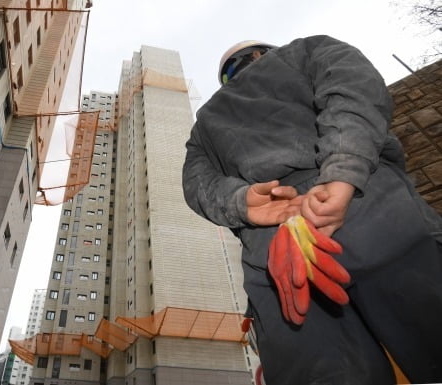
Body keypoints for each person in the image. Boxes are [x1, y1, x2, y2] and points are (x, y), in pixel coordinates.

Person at [182, 35, 442, 385]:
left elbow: (197, 185)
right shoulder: (310, 49)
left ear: (227, 77)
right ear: (261, 54)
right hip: (372, 210)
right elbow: (354, 91)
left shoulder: (205, 124)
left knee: (325, 374)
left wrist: (242, 201)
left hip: (277, 256)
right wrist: (344, 169)